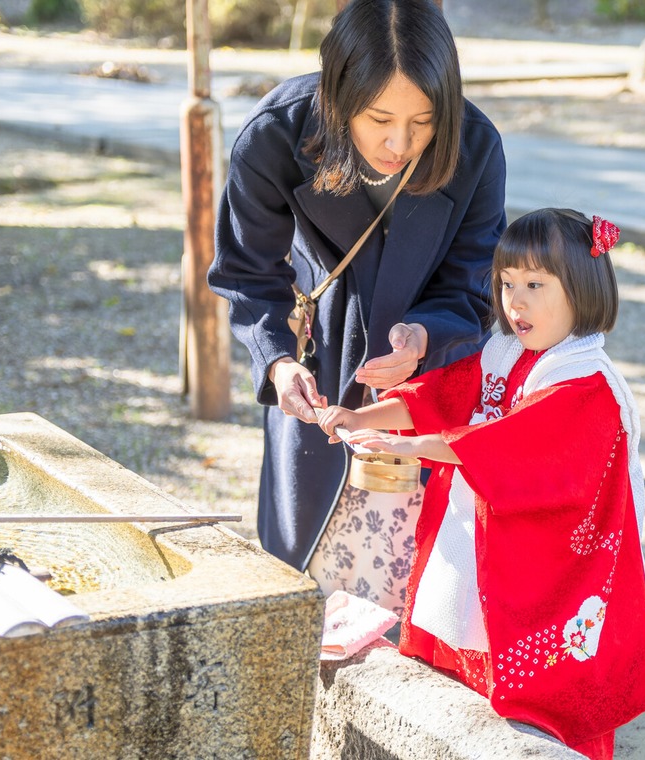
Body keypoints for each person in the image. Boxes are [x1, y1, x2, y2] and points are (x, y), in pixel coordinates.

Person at [315, 208, 645, 759]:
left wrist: (417, 447)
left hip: (551, 567)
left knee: (547, 705)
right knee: (460, 664)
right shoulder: (505, 355)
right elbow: (441, 396)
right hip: (487, 538)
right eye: (508, 284)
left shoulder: (586, 383)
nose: (517, 301)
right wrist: (361, 417)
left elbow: (510, 444)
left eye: (536, 284)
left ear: (582, 288)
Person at [207, 0, 508, 590]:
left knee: (430, 578)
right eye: (377, 119)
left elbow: (473, 281)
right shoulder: (278, 132)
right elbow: (247, 272)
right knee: (306, 568)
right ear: (338, 94)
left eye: (423, 121)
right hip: (318, 356)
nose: (399, 143)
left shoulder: (475, 147)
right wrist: (277, 361)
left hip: (430, 379)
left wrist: (425, 334)